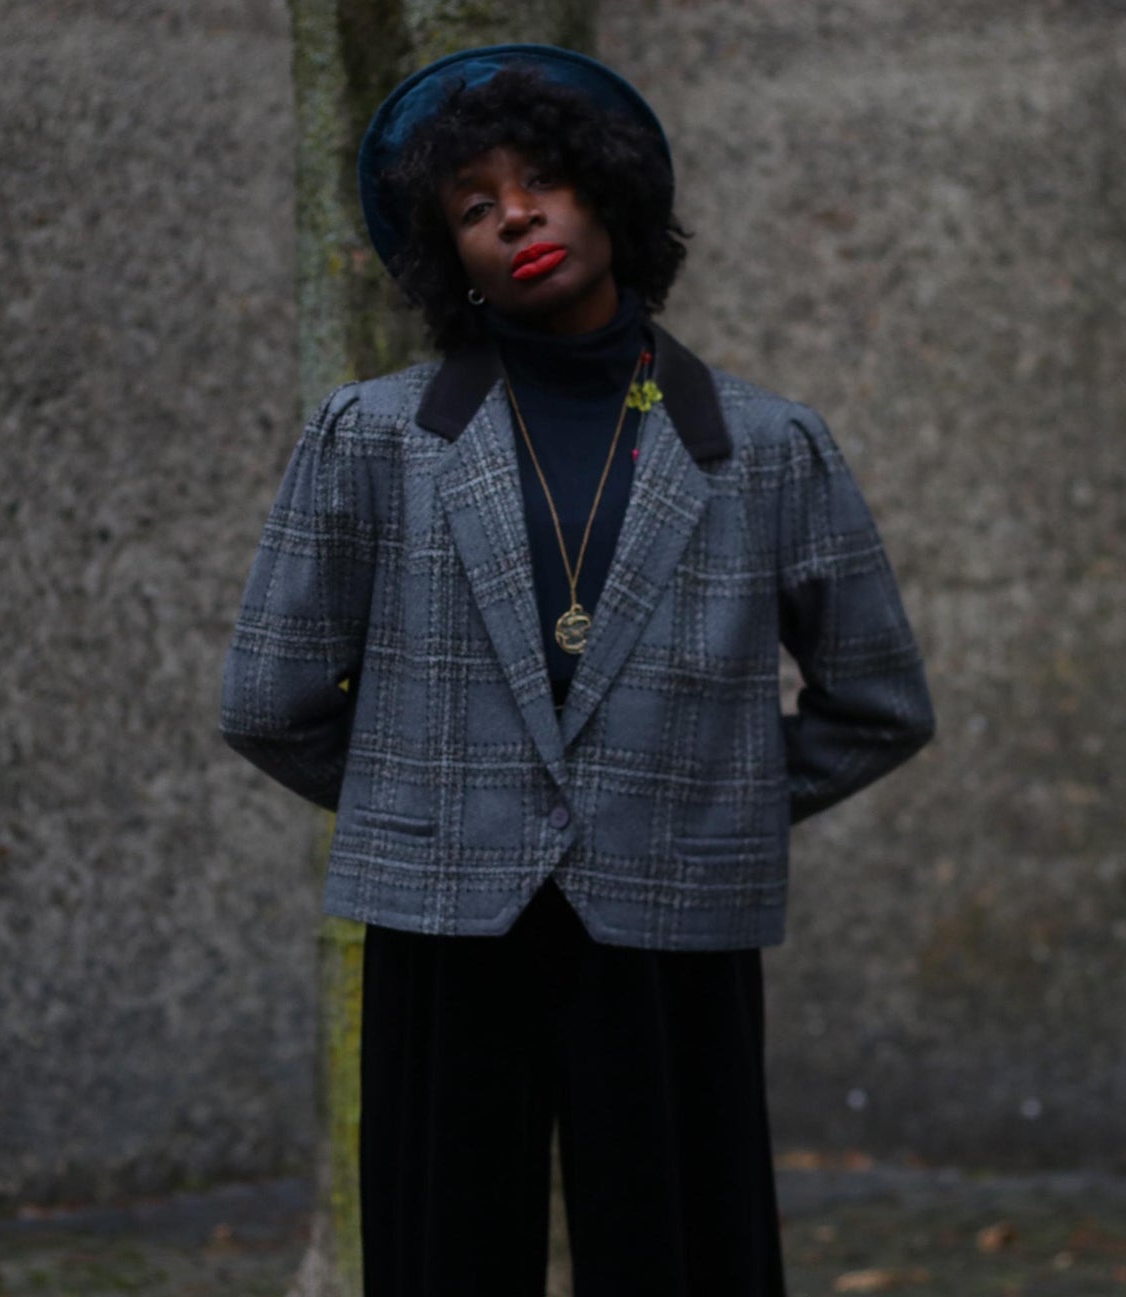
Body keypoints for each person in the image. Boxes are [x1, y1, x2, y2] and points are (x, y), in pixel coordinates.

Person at [221, 43, 934, 1297]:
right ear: (451, 254)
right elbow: (267, 699)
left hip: (673, 919)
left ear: (607, 192)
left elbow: (874, 702)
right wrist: (437, 804)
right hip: (446, 923)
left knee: (687, 1249)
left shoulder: (765, 447)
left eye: (542, 178)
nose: (518, 216)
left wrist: (705, 797)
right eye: (474, 205)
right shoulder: (372, 438)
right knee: (442, 1252)